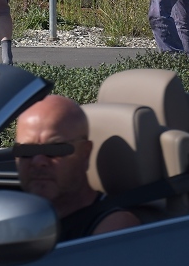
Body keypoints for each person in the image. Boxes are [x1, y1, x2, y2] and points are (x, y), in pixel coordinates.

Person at [13, 95, 141, 241]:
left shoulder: (112, 226)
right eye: (26, 150)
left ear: (85, 153)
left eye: (55, 149)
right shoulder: (11, 216)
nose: (38, 161)